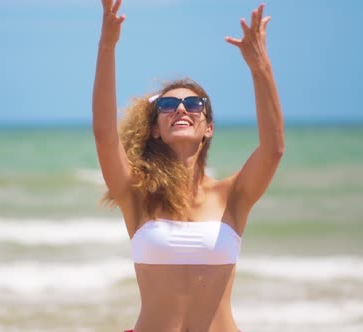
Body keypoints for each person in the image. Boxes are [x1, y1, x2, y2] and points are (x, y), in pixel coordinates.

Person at [92, 1, 284, 331]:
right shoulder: (137, 193)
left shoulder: (232, 195)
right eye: (168, 104)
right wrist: (107, 46)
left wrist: (260, 68)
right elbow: (105, 136)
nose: (181, 109)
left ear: (208, 127)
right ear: (155, 128)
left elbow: (273, 149)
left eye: (194, 104)